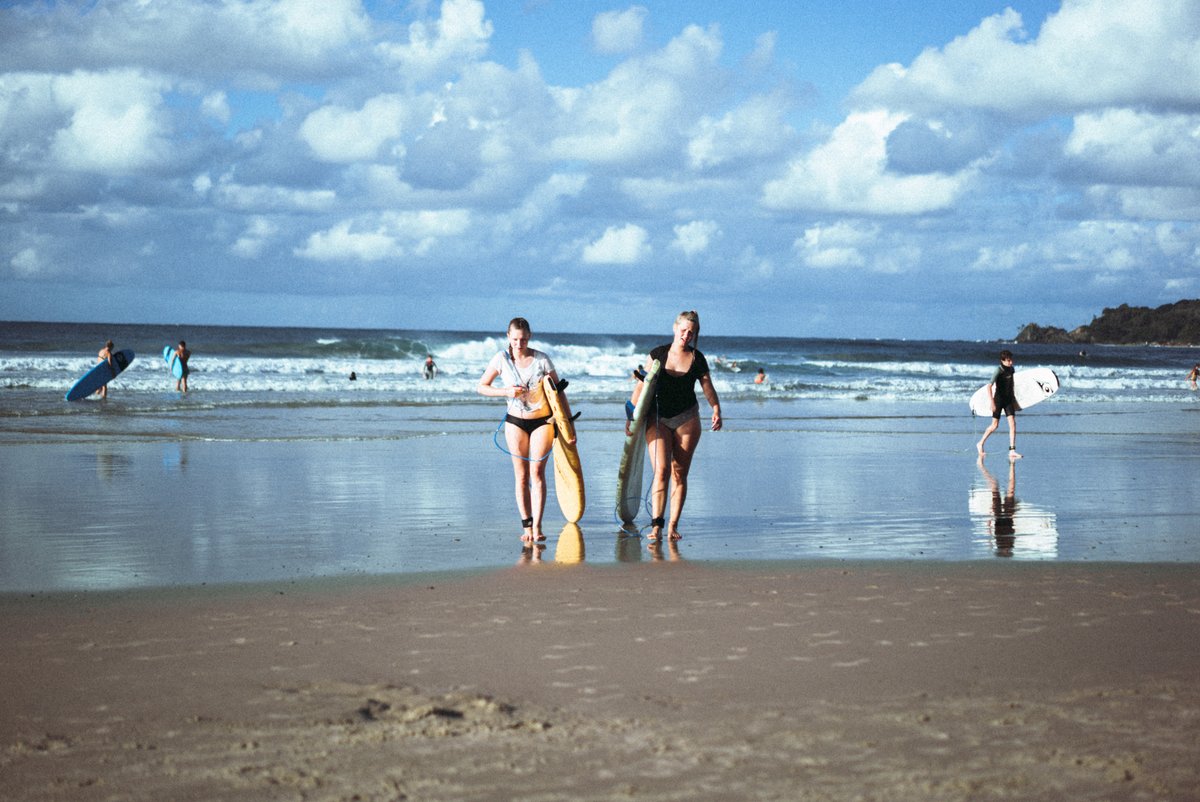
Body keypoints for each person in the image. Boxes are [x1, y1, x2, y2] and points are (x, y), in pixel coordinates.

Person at [626, 310, 722, 543]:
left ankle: (672, 525)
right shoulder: (657, 354)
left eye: (691, 332)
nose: (686, 335)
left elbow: (707, 386)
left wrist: (716, 408)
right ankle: (657, 525)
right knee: (661, 471)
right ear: (675, 328)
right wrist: (630, 415)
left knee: (679, 473)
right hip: (657, 418)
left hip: (687, 419)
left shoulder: (697, 358)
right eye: (683, 330)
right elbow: (641, 386)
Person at [477, 317, 561, 544]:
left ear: (529, 337)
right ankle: (527, 525)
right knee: (522, 476)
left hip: (542, 421)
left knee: (537, 473)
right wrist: (506, 391)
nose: (519, 344)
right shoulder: (501, 359)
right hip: (515, 422)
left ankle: (538, 526)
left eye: (523, 339)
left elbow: (559, 392)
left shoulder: (542, 359)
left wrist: (568, 426)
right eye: (515, 339)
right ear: (508, 337)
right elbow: (482, 387)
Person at [976, 349, 1022, 460]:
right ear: (1002, 360)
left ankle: (1012, 450)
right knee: (994, 425)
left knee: (1012, 424)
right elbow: (989, 386)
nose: (1011, 362)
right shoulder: (998, 370)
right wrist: (992, 402)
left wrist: (1016, 402)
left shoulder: (1012, 369)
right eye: (1008, 360)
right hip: (998, 400)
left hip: (1008, 400)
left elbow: (1011, 385)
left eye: (1011, 360)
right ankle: (980, 443)